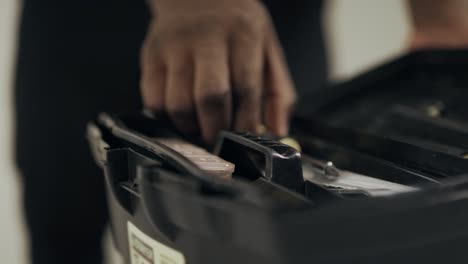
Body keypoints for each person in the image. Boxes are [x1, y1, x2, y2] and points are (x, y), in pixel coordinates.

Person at [14, 0, 468, 263]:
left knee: (286, 231)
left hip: (266, 39)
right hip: (84, 29)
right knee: (62, 236)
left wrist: (441, 21)